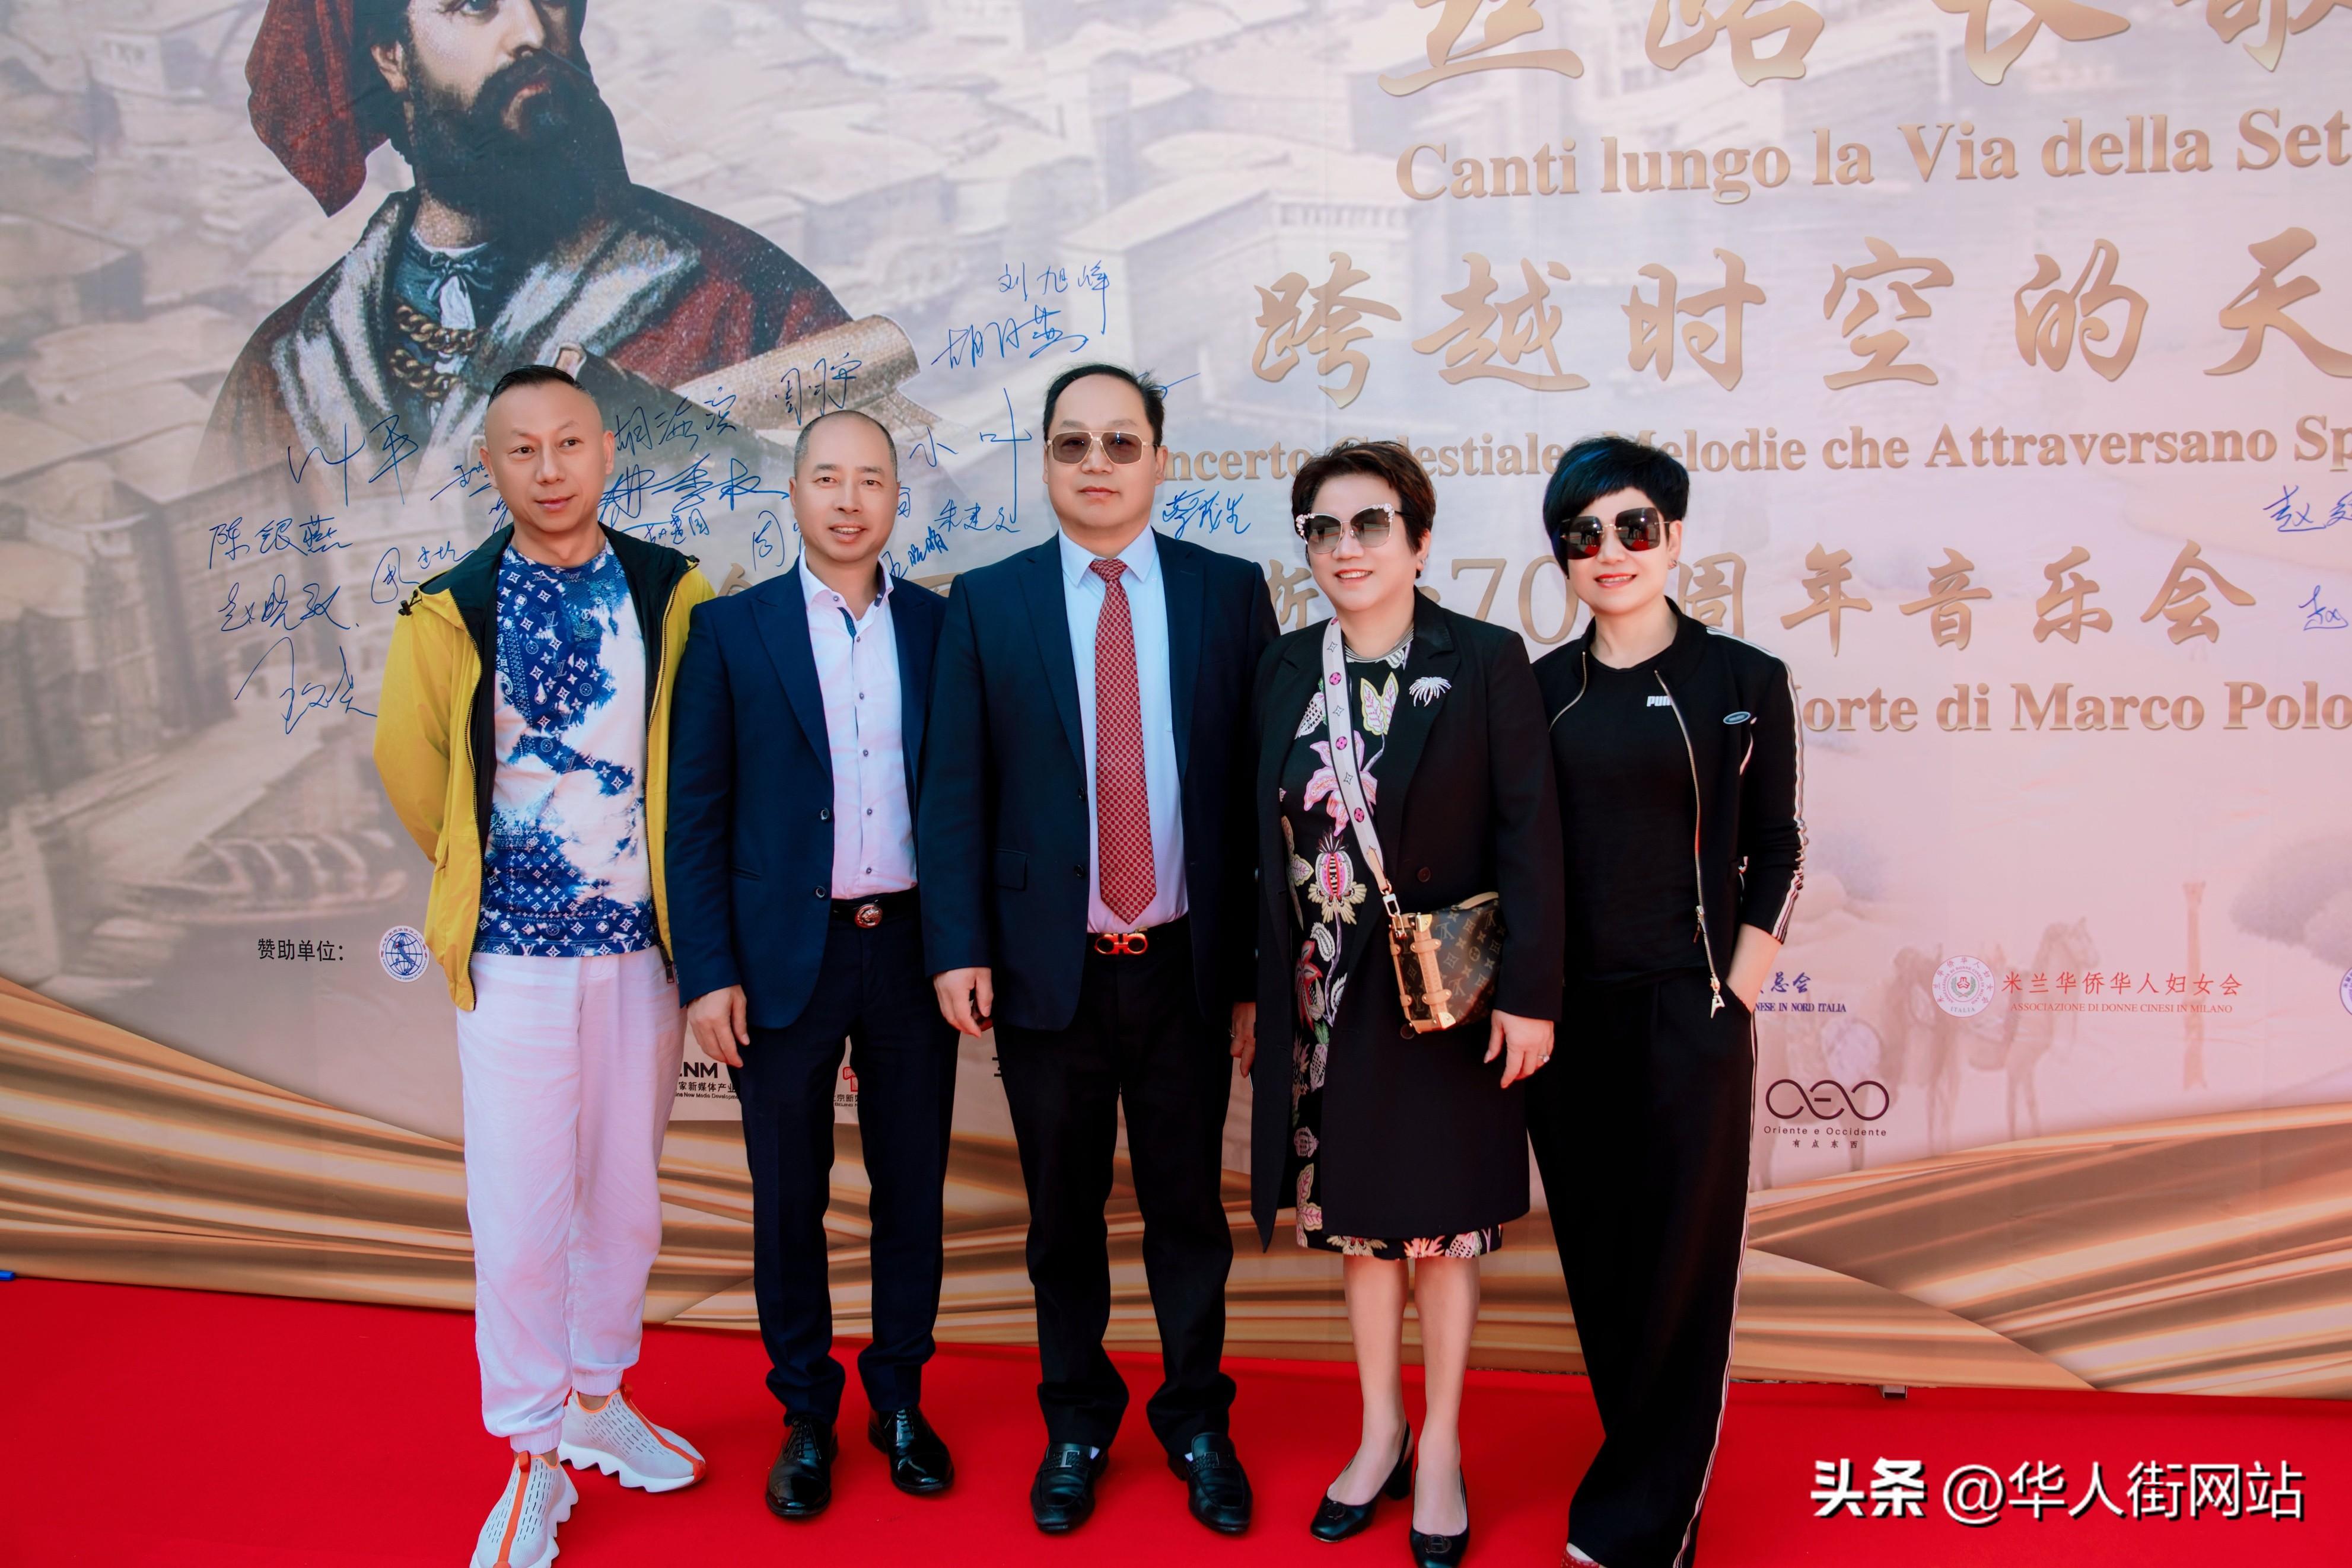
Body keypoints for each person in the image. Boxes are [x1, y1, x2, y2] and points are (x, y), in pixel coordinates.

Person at [918, 363, 1277, 1537]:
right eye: (1072, 442)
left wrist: (1251, 977)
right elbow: (954, 789)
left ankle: (1196, 1419)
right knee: (1061, 1222)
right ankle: (1075, 1419)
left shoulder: (1229, 593)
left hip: (1182, 967)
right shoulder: (989, 600)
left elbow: (1255, 801)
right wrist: (957, 944)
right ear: (1046, 460)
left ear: (1158, 459)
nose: (1097, 462)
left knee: (1189, 1214)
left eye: (1121, 442)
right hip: (1046, 972)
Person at [373, 364, 714, 1568]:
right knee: (519, 1212)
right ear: (491, 465)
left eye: (570, 441)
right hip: (512, 956)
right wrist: (491, 873)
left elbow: (697, 755)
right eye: (523, 448)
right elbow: (413, 767)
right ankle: (528, 1452)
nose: (551, 467)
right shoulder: (447, 608)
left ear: (608, 450)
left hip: (639, 952)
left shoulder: (670, 590)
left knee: (623, 1197)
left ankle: (597, 1395)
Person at [1246, 439, 1562, 1568]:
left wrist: (1532, 997)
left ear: (1419, 541)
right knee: (1362, 1226)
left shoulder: (1484, 660)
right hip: (1324, 996)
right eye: (1323, 529)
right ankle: (1379, 1430)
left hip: (1446, 992)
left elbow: (1532, 835)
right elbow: (1256, 838)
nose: (1348, 547)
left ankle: (1440, 1448)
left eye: (1371, 523)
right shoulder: (1285, 668)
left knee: (1442, 1229)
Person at [663, 408, 957, 1521]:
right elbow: (694, 815)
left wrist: (966, 947)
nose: (848, 499)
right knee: (789, 1196)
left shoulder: (939, 627)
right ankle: (805, 1412)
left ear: (896, 498)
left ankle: (900, 1400)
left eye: (870, 479)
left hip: (912, 948)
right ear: (793, 493)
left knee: (909, 1188)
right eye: (827, 477)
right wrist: (707, 970)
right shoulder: (730, 632)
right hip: (784, 955)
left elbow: (964, 802)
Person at [1526, 436, 1804, 1568]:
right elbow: (1515, 853)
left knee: (1684, 1269)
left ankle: (1644, 1521)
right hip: (1565, 1021)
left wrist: (1733, 992)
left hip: (1691, 1015)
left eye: (1634, 525)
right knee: (1602, 1259)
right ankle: (1647, 1476)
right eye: (1584, 533)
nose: (1611, 550)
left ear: (1675, 535)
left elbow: (1780, 846)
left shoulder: (1743, 680)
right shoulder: (1539, 691)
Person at [206, 0, 846, 474]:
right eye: (476, 5)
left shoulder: (746, 296)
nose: (533, 33)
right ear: (391, 56)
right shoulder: (284, 370)